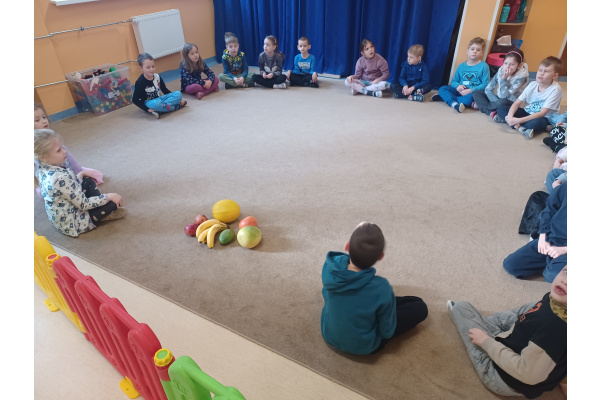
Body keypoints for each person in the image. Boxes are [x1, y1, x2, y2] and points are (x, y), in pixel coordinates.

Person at [447, 266, 567, 398]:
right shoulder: (558, 302)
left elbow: (528, 374)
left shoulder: (554, 329)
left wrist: (486, 342)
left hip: (501, 377)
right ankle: (489, 327)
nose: (565, 281)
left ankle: (481, 327)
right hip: (526, 344)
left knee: (461, 308)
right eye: (566, 271)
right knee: (535, 306)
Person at [320, 222, 428, 355]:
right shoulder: (381, 288)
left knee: (382, 301)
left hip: (328, 334)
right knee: (419, 306)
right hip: (365, 346)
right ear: (381, 256)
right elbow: (387, 332)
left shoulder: (330, 266)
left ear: (347, 246)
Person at [35, 129, 126, 237]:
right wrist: (108, 196)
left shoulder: (43, 168)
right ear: (44, 157)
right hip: (74, 223)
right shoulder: (59, 178)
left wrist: (80, 174)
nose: (64, 151)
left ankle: (98, 208)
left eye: (62, 148)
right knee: (113, 203)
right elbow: (83, 204)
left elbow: (69, 187)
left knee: (87, 181)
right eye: (59, 150)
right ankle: (101, 214)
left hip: (66, 213)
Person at [34, 104, 103, 195]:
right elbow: (36, 171)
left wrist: (79, 172)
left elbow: (69, 159)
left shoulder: (51, 137)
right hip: (52, 180)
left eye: (44, 117)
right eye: (37, 120)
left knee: (93, 176)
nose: (44, 121)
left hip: (66, 172)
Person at [503, 182, 567, 282]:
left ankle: (555, 264)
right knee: (511, 265)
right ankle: (553, 263)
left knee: (552, 276)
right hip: (552, 238)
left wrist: (564, 250)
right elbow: (549, 210)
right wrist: (542, 237)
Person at [494, 57, 563, 139]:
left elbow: (542, 113)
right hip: (526, 112)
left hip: (542, 117)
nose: (541, 73)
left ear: (555, 75)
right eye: (540, 70)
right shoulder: (532, 84)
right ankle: (518, 126)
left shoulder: (556, 89)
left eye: (546, 71)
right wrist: (510, 116)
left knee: (535, 124)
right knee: (501, 108)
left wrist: (518, 120)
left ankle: (513, 123)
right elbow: (516, 103)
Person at [432, 37, 490, 113]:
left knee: (471, 98)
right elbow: (454, 81)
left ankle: (446, 99)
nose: (475, 51)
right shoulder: (461, 66)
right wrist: (458, 86)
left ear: (482, 53)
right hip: (460, 91)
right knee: (442, 89)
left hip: (472, 92)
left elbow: (485, 84)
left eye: (478, 50)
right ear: (467, 51)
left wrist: (470, 90)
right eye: (472, 49)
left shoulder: (484, 66)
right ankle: (454, 104)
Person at [472, 49, 528, 117]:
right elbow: (488, 89)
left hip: (511, 101)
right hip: (498, 98)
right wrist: (495, 100)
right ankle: (491, 110)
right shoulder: (501, 70)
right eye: (505, 63)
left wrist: (503, 79)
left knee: (502, 102)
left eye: (512, 64)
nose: (507, 67)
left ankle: (484, 107)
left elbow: (504, 96)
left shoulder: (521, 78)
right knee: (476, 93)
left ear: (519, 65)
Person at [132, 53, 186, 119]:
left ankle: (160, 110)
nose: (151, 69)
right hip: (150, 102)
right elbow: (135, 100)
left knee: (178, 94)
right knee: (156, 104)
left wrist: (178, 98)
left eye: (153, 66)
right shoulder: (140, 82)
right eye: (148, 67)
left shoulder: (157, 77)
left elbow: (164, 90)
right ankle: (177, 106)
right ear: (141, 68)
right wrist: (147, 109)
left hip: (160, 99)